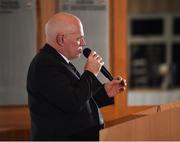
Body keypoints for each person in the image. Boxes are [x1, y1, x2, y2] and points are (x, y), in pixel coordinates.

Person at [27, 12, 127, 141]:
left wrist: (105, 92)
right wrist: (90, 72)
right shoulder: (45, 65)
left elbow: (76, 99)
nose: (83, 43)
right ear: (61, 39)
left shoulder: (58, 61)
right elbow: (73, 103)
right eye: (79, 38)